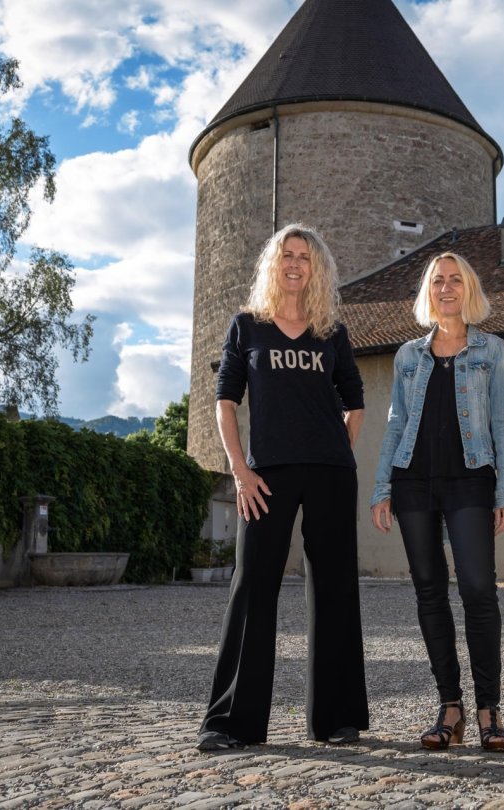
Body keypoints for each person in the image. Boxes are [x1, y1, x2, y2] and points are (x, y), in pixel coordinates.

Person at [197, 223, 369, 750]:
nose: (295, 264)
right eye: (287, 255)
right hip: (265, 475)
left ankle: (336, 719)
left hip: (330, 474)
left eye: (305, 257)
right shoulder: (247, 327)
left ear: (316, 269)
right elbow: (226, 403)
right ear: (273, 264)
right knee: (252, 586)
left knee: (336, 587)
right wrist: (240, 471)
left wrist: (335, 452)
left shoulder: (330, 332)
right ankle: (230, 723)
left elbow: (355, 401)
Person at [371, 252, 504, 752]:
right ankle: (450, 707)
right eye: (439, 281)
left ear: (469, 289)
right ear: (428, 292)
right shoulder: (407, 356)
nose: (448, 287)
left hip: (471, 480)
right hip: (413, 482)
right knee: (429, 591)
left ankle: (489, 710)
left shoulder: (492, 350)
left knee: (478, 590)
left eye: (456, 280)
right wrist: (382, 488)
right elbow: (395, 424)